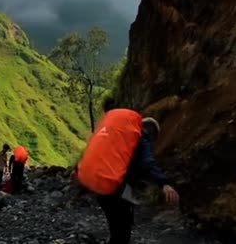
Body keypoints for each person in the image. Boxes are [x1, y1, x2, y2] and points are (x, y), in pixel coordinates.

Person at [77, 101, 180, 244]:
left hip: (98, 184)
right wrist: (164, 183)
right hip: (115, 188)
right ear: (152, 132)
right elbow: (148, 163)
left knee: (116, 227)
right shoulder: (142, 135)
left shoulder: (122, 138)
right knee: (122, 232)